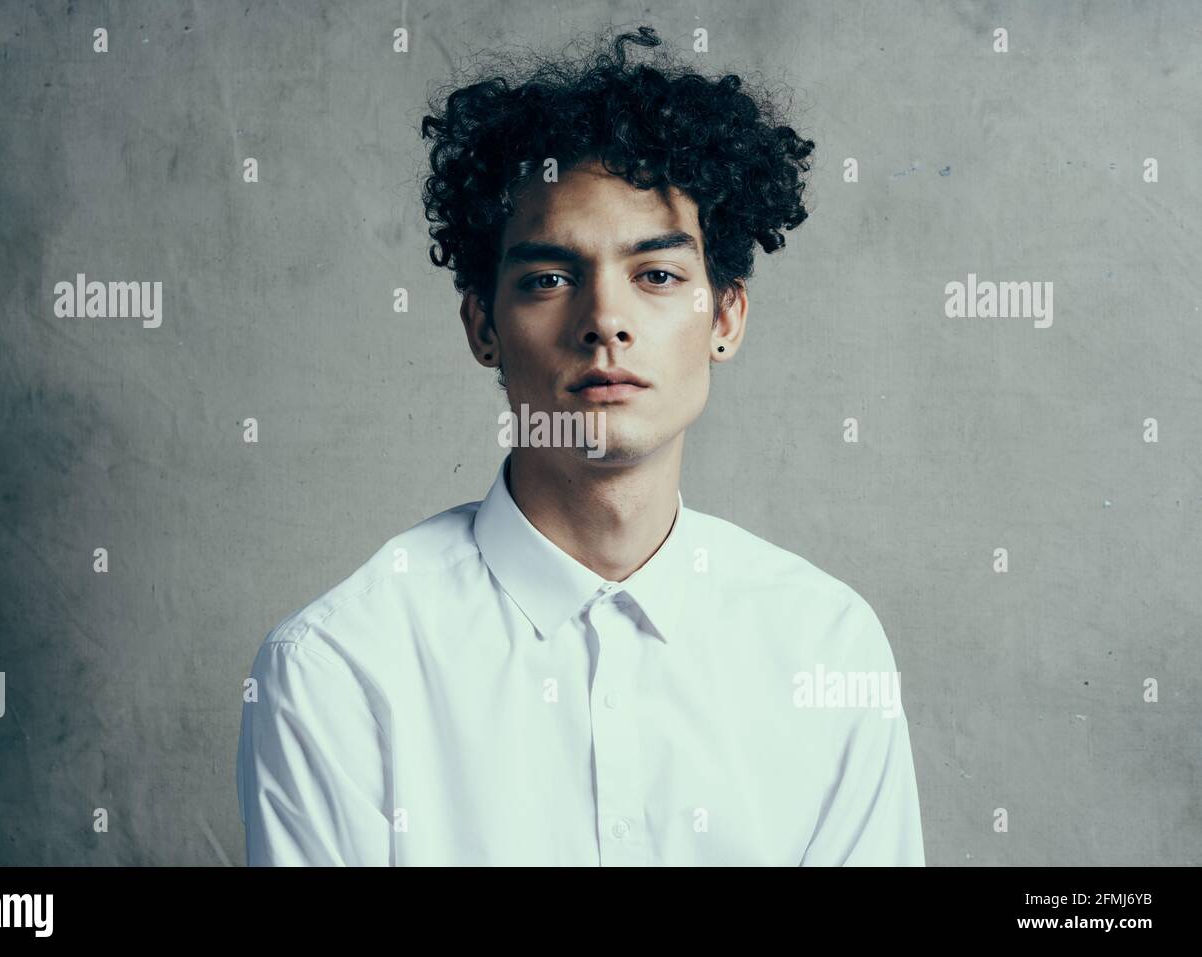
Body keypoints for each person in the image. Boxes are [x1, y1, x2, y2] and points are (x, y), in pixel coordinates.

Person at [237, 25, 925, 866]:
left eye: (658, 275)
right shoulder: (339, 671)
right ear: (484, 326)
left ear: (728, 317)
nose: (605, 320)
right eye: (549, 279)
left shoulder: (826, 647)